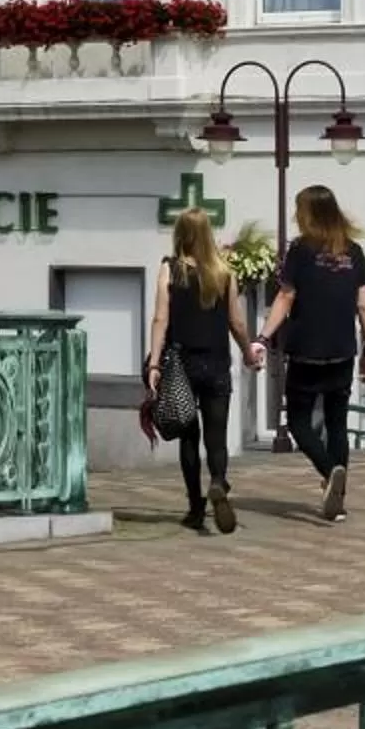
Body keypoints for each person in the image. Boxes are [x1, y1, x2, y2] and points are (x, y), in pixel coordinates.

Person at [261, 183, 365, 521]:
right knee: (337, 423)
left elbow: (285, 297)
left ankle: (329, 472)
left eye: (299, 210)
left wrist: (264, 336)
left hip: (307, 349)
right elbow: (364, 307)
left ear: (309, 214)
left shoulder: (300, 250)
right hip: (342, 350)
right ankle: (336, 494)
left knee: (298, 422)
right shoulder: (353, 252)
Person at [147, 207, 263, 534]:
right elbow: (237, 322)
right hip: (216, 363)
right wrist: (248, 353)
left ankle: (196, 508)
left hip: (181, 365)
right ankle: (219, 481)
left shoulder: (170, 270)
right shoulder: (224, 271)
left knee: (188, 437)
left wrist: (155, 363)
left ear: (180, 234)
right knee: (216, 436)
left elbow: (160, 319)